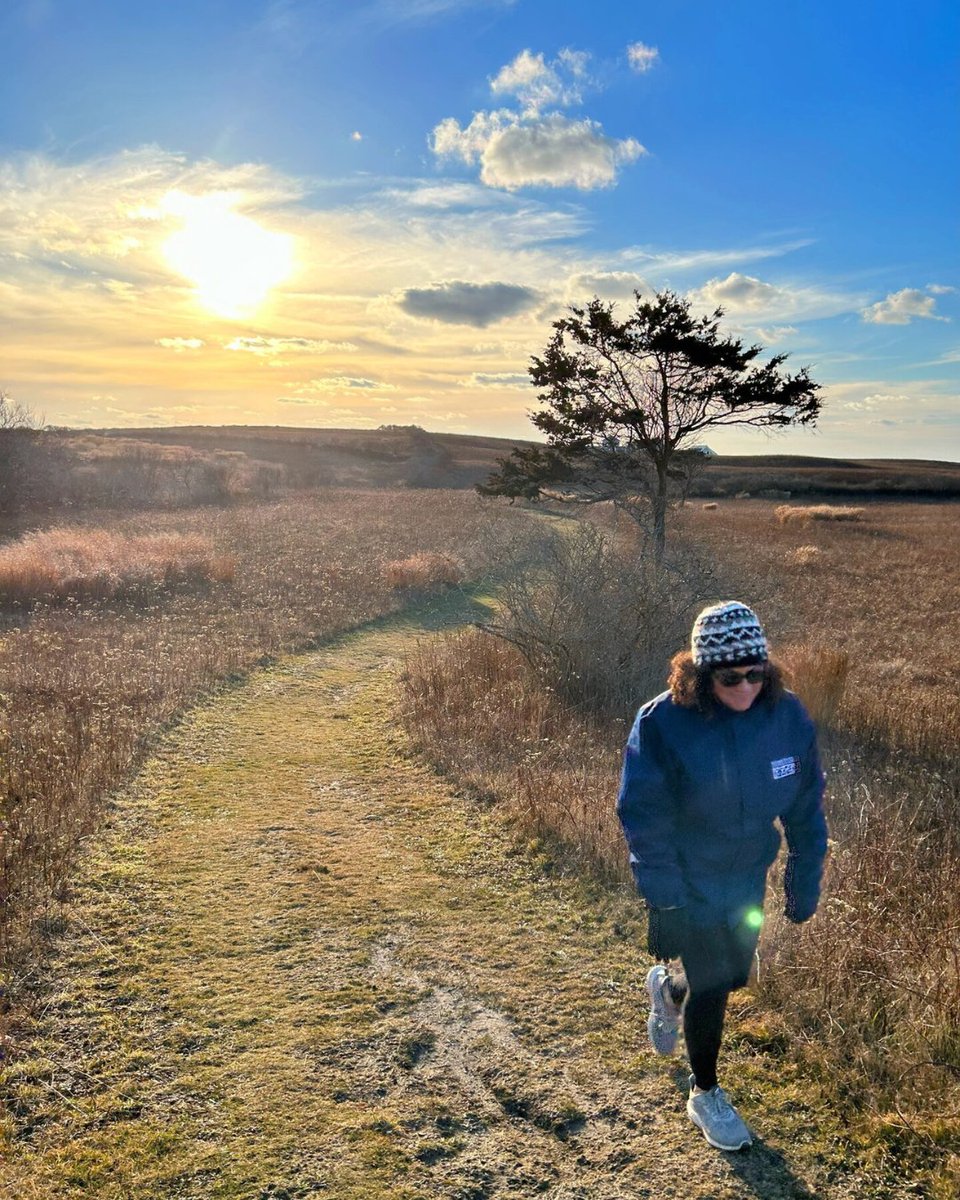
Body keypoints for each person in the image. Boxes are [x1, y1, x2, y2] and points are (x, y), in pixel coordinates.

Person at [616, 600, 828, 1151]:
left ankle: (668, 992)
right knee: (714, 983)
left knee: (735, 976)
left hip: (746, 875)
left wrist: (805, 875)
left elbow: (806, 806)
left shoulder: (788, 717)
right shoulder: (662, 724)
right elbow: (644, 815)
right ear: (701, 674)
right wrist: (664, 903)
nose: (745, 687)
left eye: (755, 673)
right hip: (687, 880)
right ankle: (705, 1092)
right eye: (729, 676)